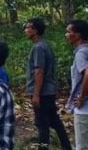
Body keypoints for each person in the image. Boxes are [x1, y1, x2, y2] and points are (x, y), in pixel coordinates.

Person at [24, 18, 70, 150]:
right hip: (48, 91)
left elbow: (39, 71)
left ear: (35, 30)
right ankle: (66, 146)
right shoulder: (44, 45)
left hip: (43, 92)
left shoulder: (39, 47)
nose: (26, 30)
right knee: (54, 121)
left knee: (42, 124)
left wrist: (36, 94)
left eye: (28, 28)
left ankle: (43, 147)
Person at [66, 19, 88, 148]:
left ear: (77, 35)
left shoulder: (81, 53)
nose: (66, 35)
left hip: (84, 110)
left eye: (69, 32)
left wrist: (81, 98)